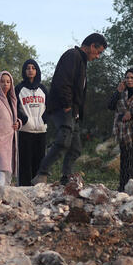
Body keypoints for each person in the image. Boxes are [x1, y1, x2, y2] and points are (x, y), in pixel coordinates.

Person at [31, 33, 107, 185]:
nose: (98, 57)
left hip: (73, 112)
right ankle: (41, 174)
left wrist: (77, 112)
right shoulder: (72, 56)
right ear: (92, 46)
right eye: (98, 52)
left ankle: (66, 178)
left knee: (76, 148)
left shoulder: (82, 61)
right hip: (63, 107)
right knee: (63, 139)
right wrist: (67, 105)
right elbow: (63, 81)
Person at [15, 59, 48, 187]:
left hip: (41, 130)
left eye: (33, 68)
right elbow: (14, 108)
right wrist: (24, 120)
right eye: (28, 68)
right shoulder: (19, 88)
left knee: (40, 161)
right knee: (25, 162)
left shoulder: (43, 89)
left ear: (37, 71)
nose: (30, 70)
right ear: (24, 71)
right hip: (25, 131)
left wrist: (43, 120)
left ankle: (39, 188)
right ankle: (24, 187)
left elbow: (49, 106)